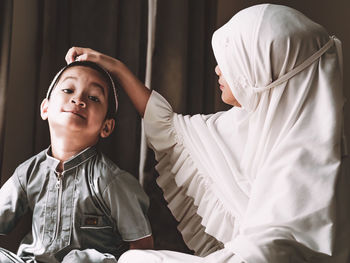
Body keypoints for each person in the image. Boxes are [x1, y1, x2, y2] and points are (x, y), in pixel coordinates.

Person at [64, 4, 349, 263]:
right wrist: (116, 68)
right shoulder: (249, 124)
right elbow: (171, 130)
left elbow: (269, 253)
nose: (217, 69)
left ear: (266, 71)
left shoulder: (309, 161)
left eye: (233, 61)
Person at [0, 61, 154, 263]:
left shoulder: (111, 181)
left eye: (93, 97)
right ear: (45, 109)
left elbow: (142, 246)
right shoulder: (28, 173)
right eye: (68, 89)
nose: (78, 99)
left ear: (106, 127)